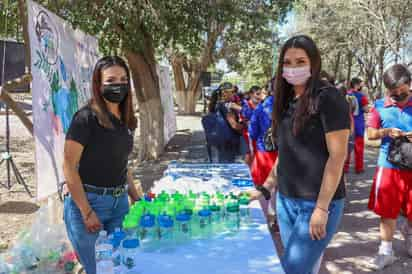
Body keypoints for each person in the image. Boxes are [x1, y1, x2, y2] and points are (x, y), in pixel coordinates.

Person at [248, 35, 350, 274]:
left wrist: (321, 208)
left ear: (313, 63)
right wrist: (265, 188)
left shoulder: (329, 98)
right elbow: (286, 153)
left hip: (316, 203)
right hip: (285, 201)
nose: (293, 68)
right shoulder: (285, 101)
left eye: (300, 61)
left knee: (291, 270)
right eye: (288, 62)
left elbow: (337, 156)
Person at [63, 56, 142, 274]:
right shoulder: (85, 118)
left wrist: (135, 196)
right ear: (98, 85)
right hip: (89, 204)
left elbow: (122, 163)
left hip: (120, 205)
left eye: (123, 79)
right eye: (111, 79)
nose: (118, 84)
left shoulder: (126, 120)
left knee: (120, 267)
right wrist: (87, 212)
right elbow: (69, 166)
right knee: (98, 270)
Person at [367, 64, 412, 270]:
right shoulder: (379, 105)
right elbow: (371, 134)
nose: (399, 96)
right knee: (388, 211)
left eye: (403, 91)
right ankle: (385, 251)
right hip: (389, 166)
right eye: (394, 93)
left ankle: (409, 237)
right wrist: (386, 132)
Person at [248, 82, 277, 218]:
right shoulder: (293, 106)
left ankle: (266, 218)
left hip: (264, 154)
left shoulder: (260, 107)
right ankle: (277, 219)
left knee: (262, 187)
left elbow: (252, 132)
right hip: (285, 154)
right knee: (280, 189)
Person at [205, 82, 242, 162]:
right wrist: (246, 127)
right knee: (227, 168)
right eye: (232, 92)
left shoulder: (215, 105)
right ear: (225, 93)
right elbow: (234, 125)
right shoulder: (227, 106)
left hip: (215, 142)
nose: (234, 94)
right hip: (227, 144)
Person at [344, 77, 369, 173]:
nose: (361, 86)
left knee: (347, 147)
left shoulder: (345, 95)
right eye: (360, 84)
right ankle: (359, 168)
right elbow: (367, 109)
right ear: (356, 85)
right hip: (358, 124)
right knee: (359, 148)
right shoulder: (361, 96)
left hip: (347, 124)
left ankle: (345, 167)